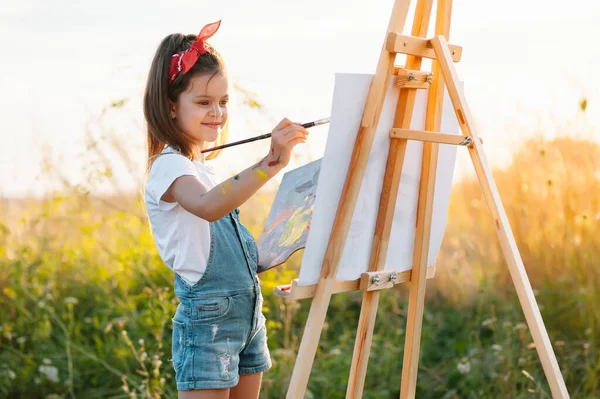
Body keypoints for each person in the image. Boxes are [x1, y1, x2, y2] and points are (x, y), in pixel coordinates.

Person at [142, 20, 309, 399]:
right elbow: (208, 207)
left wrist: (271, 251)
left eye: (223, 101)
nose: (217, 112)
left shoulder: (204, 166)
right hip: (209, 320)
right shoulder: (169, 166)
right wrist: (271, 162)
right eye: (203, 102)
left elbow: (216, 241)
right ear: (170, 107)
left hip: (247, 314)